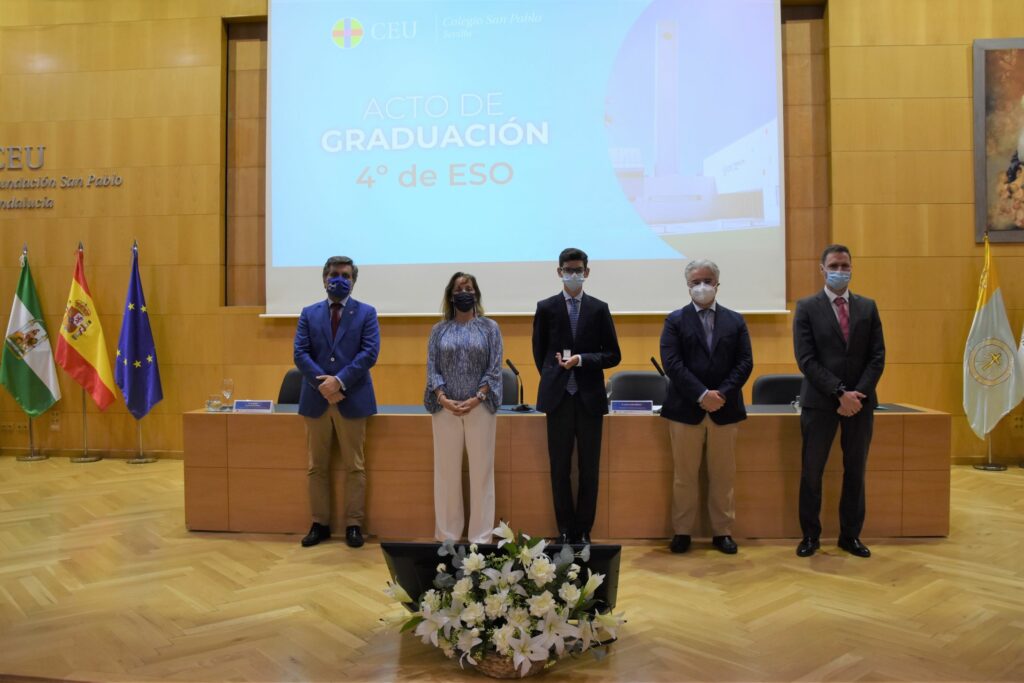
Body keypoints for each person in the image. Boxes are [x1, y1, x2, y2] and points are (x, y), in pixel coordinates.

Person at [793, 244, 885, 558]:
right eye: (834, 265)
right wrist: (838, 392)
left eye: (845, 265)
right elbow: (805, 359)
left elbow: (877, 357)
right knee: (812, 472)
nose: (840, 271)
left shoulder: (868, 307)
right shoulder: (806, 307)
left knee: (855, 471)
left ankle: (850, 536)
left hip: (860, 403)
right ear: (822, 269)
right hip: (820, 403)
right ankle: (810, 537)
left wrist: (856, 394)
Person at [659, 259, 753, 555]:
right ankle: (682, 532)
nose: (702, 286)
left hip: (725, 410)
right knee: (684, 476)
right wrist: (701, 395)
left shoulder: (735, 321)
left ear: (717, 283)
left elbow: (745, 362)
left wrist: (720, 394)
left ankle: (722, 532)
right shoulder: (674, 320)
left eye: (707, 280)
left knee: (723, 475)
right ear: (687, 286)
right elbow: (672, 364)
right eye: (696, 281)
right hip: (686, 410)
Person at [532, 248, 621, 545]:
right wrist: (555, 374)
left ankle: (584, 529)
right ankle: (565, 529)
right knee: (559, 468)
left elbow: (612, 355)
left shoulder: (599, 308)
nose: (573, 274)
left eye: (578, 269)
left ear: (587, 271)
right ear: (559, 272)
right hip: (558, 398)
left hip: (589, 398)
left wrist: (582, 360)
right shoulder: (545, 307)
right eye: (568, 270)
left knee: (588, 468)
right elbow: (539, 352)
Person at [293, 256, 380, 548]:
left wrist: (339, 381)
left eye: (345, 275)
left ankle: (354, 524)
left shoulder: (367, 313)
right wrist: (325, 385)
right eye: (333, 274)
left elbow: (369, 353)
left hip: (352, 399)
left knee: (355, 466)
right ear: (324, 278)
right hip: (317, 400)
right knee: (316, 467)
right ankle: (320, 523)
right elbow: (300, 353)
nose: (339, 279)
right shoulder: (308, 313)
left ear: (353, 280)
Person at [424, 272, 503, 544]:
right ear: (450, 295)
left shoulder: (490, 328)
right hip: (445, 408)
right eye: (459, 289)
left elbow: (494, 370)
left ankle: (480, 537)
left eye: (468, 288)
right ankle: (447, 535)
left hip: (479, 407)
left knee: (482, 472)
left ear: (476, 293)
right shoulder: (439, 330)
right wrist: (442, 397)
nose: (464, 292)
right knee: (446, 473)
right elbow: (432, 367)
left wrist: (478, 397)